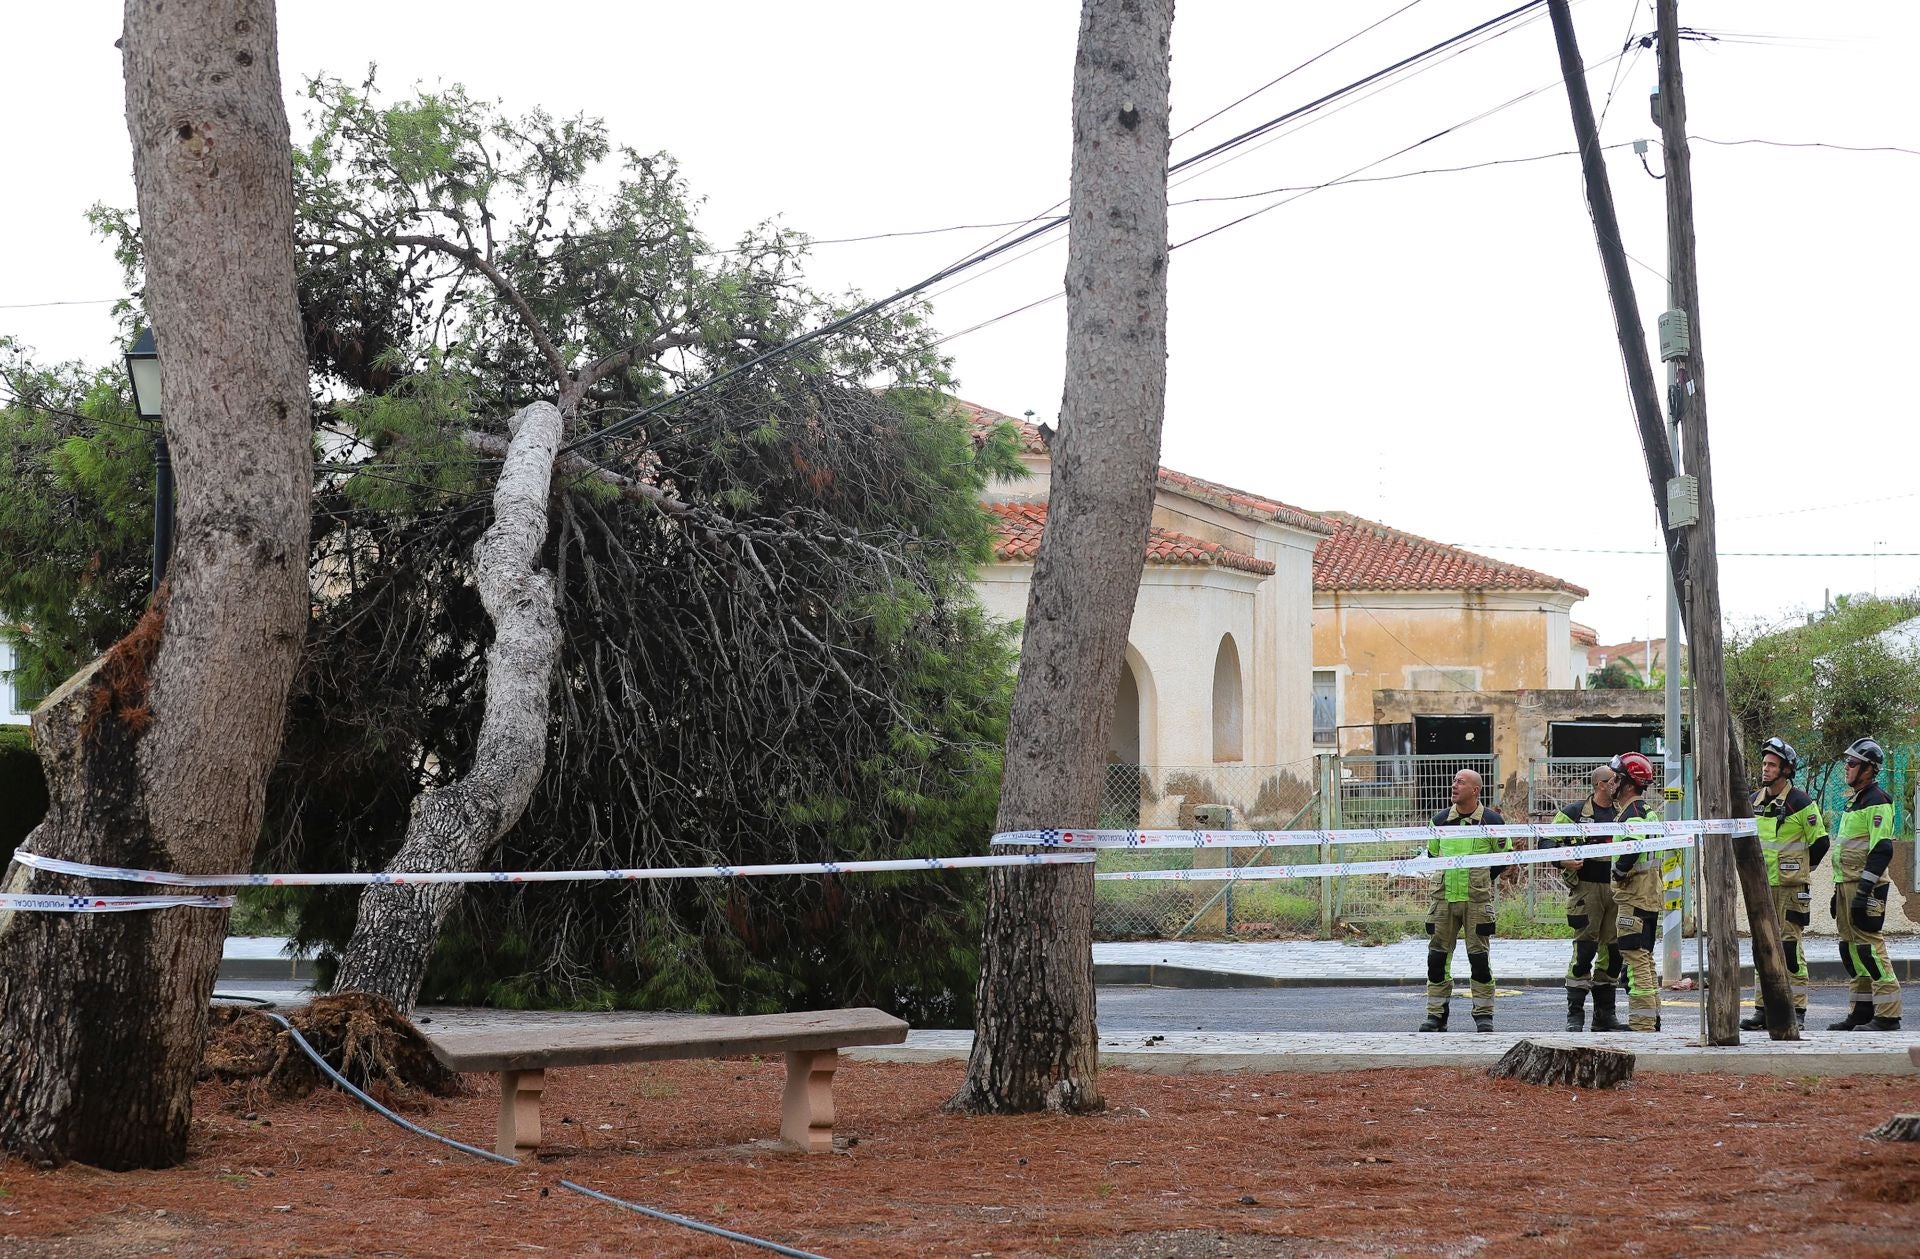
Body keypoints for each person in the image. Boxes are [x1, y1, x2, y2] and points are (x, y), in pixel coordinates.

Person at [1743, 737, 1827, 1030]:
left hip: (1791, 890)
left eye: (1772, 765)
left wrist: (1802, 870)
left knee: (1790, 949)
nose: (1765, 769)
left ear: (1786, 770)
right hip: (1762, 889)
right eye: (1764, 763)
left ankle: (1797, 1010)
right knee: (1762, 946)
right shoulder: (1753, 801)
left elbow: (1821, 843)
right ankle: (1762, 1010)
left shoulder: (1802, 803)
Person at [1419, 768, 1510, 1033]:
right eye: (1453, 781)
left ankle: (1484, 1015)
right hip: (1443, 901)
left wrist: (1480, 880)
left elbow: (1503, 858)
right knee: (1436, 960)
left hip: (1477, 902)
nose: (1454, 785)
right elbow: (1434, 856)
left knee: (1479, 960)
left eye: (1461, 782)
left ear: (1475, 790)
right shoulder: (1439, 821)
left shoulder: (1492, 821)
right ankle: (1436, 1015)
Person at [1827, 737, 1903, 1031]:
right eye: (1847, 762)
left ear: (1870, 769)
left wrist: (1863, 891)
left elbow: (1882, 849)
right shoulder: (1854, 801)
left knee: (1870, 947)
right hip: (1846, 884)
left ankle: (1888, 1014)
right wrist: (1838, 890)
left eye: (1853, 763)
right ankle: (1861, 1010)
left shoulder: (1878, 800)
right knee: (1850, 949)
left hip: (1866, 886)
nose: (1847, 767)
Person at [1548, 765, 1624, 1032]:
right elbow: (1545, 843)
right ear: (1601, 784)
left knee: (1613, 953)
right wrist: (1562, 859)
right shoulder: (1574, 813)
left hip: (1617, 889)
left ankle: (1605, 1016)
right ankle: (1575, 1015)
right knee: (1584, 951)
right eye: (1615, 780)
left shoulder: (1624, 812)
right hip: (1587, 890)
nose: (1619, 784)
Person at [1607, 752, 1664, 1032]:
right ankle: (1652, 1018)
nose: (1611, 783)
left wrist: (1619, 870)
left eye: (1616, 778)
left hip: (1634, 894)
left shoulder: (1633, 814)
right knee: (1645, 955)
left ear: (1628, 783)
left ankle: (1642, 1021)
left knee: (1634, 955)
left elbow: (1633, 844)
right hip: (1648, 894)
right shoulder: (1647, 812)